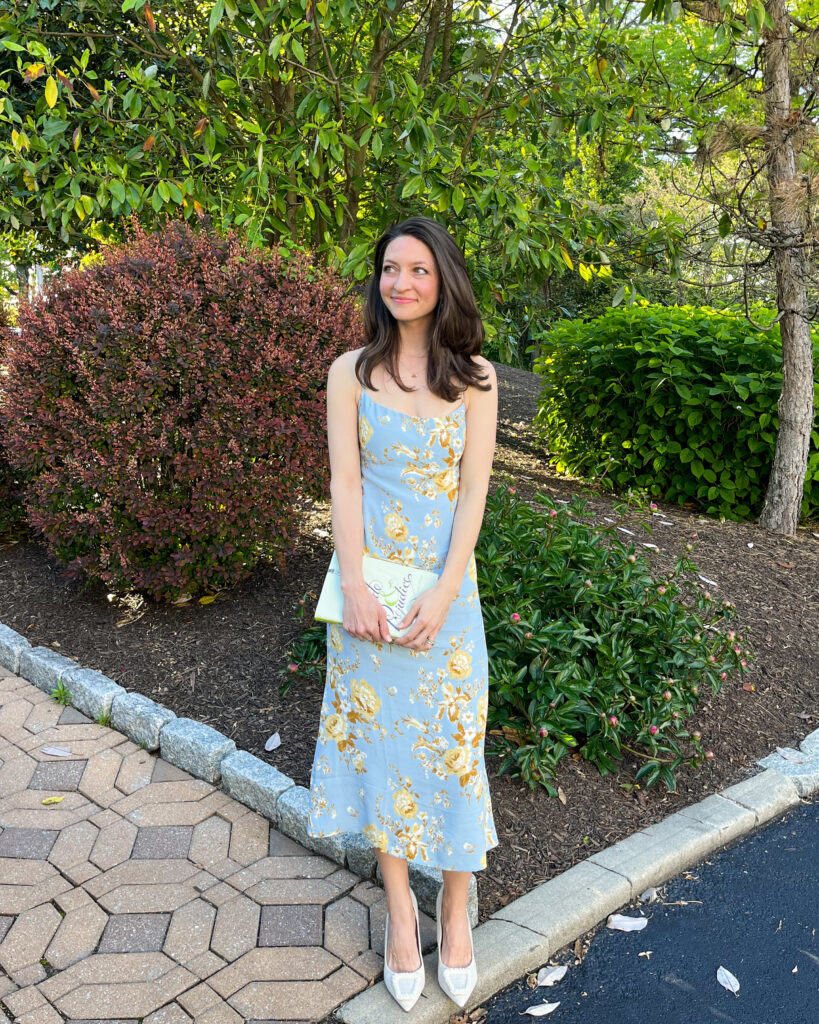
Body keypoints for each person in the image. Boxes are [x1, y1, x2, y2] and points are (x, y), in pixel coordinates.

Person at [307, 215, 499, 1012]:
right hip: (367, 590)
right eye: (390, 269)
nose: (402, 283)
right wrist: (353, 583)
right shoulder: (349, 371)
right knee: (382, 747)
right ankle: (397, 912)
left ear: (441, 279)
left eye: (417, 269)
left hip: (446, 592)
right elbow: (344, 485)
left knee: (455, 747)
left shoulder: (476, 377)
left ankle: (453, 909)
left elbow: (473, 492)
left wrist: (444, 589)